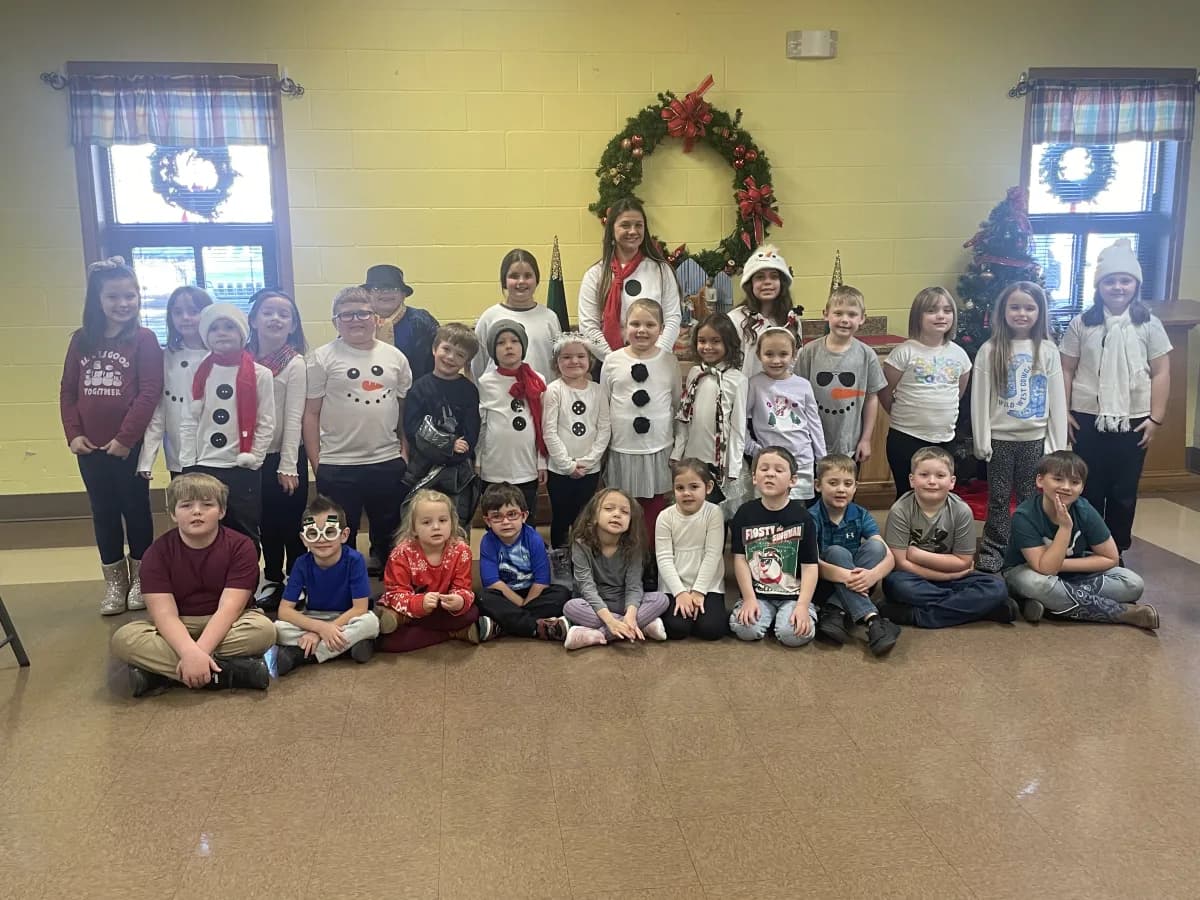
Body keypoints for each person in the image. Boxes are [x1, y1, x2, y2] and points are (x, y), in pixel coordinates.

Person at [60, 257, 163, 615]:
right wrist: (73, 435)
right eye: (114, 297)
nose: (123, 304)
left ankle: (141, 578)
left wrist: (125, 439)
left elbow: (149, 392)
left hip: (127, 448)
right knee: (102, 512)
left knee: (135, 511)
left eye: (130, 296)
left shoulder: (145, 339)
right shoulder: (81, 340)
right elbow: (68, 392)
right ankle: (115, 583)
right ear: (98, 300)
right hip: (89, 448)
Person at [110, 473, 275, 697]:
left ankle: (161, 673)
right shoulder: (157, 553)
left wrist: (199, 652)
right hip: (180, 623)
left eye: (207, 504)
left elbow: (230, 608)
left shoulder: (241, 546)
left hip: (230, 623)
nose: (197, 511)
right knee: (124, 638)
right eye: (186, 505)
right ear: (173, 514)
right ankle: (229, 673)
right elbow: (165, 615)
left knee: (263, 631)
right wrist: (189, 652)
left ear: (222, 511)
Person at [1060, 238, 1171, 559]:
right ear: (1099, 285)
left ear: (1136, 284)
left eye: (1125, 280)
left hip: (1133, 418)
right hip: (1087, 416)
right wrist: (1065, 412)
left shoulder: (1149, 324)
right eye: (1110, 280)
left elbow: (1161, 370)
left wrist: (1155, 418)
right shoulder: (1082, 323)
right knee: (1088, 485)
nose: (1118, 287)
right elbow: (1066, 368)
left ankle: (1116, 548)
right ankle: (1087, 544)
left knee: (1123, 490)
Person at [303, 286, 413, 576]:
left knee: (389, 534)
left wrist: (403, 452)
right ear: (335, 322)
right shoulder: (321, 358)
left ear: (376, 318)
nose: (355, 320)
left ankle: (396, 597)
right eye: (347, 315)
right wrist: (318, 463)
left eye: (362, 313)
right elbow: (311, 413)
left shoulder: (396, 357)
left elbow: (402, 411)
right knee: (340, 537)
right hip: (338, 465)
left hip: (386, 461)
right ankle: (343, 593)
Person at [970, 282, 1067, 572]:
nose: (1022, 313)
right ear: (1003, 311)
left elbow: (1057, 400)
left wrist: (1056, 444)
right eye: (1015, 307)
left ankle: (1028, 548)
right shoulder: (990, 350)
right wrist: (982, 438)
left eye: (1029, 307)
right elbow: (980, 397)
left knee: (1031, 498)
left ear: (1040, 312)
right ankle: (994, 549)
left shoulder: (1047, 350)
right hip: (1000, 439)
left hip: (1034, 440)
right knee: (998, 498)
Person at [1003, 451, 1158, 629]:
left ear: (1082, 488)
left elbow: (1111, 558)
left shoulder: (1084, 509)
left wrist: (1060, 567)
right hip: (1028, 572)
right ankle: (1122, 613)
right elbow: (1045, 569)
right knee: (1039, 585)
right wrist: (1065, 527)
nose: (1066, 487)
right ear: (1040, 480)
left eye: (1075, 482)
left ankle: (1049, 605)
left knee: (1133, 584)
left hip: (1072, 575)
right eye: (1058, 479)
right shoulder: (1024, 515)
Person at [178, 303, 275, 555]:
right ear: (205, 335)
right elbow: (188, 420)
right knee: (205, 532)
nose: (222, 333)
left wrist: (255, 460)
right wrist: (188, 464)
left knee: (244, 530)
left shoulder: (260, 374)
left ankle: (245, 590)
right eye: (215, 328)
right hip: (205, 465)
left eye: (230, 327)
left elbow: (266, 422)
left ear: (242, 333)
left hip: (241, 466)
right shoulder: (197, 372)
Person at [880, 447, 1015, 628]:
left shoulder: (961, 510)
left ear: (952, 482)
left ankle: (915, 615)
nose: (932, 481)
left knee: (997, 587)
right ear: (912, 480)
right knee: (894, 584)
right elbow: (900, 564)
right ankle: (983, 609)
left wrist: (917, 554)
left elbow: (964, 562)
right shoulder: (900, 510)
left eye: (940, 476)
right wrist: (950, 573)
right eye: (924, 475)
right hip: (914, 577)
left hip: (953, 578)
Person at [247, 289, 309, 609]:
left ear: (293, 324)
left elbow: (295, 416)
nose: (275, 319)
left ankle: (297, 580)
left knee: (289, 522)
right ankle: (272, 577)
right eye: (268, 312)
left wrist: (288, 464)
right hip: (249, 457)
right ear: (253, 320)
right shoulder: (240, 359)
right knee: (264, 522)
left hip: (285, 457)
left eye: (284, 314)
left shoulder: (295, 363)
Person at [880, 287, 972, 499]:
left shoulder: (959, 354)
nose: (941, 315)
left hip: (944, 438)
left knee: (938, 495)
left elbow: (958, 392)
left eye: (947, 310)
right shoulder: (904, 352)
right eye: (932, 310)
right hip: (906, 437)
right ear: (917, 316)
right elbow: (884, 391)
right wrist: (899, 413)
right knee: (908, 495)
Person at [376, 489, 497, 651]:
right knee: (388, 642)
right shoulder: (401, 553)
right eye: (426, 522)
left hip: (442, 611)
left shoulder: (461, 551)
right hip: (410, 608)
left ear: (452, 523)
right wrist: (419, 604)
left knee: (472, 612)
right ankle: (456, 632)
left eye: (442, 520)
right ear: (413, 528)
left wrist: (459, 601)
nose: (436, 527)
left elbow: (463, 588)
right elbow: (395, 594)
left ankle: (409, 623)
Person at [274, 495, 380, 675]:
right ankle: (347, 646)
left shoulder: (355, 560)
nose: (321, 540)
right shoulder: (301, 563)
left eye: (329, 532)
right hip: (315, 619)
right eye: (313, 533)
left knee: (371, 623)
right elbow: (284, 611)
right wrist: (321, 629)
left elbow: (359, 608)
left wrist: (318, 634)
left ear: (344, 535)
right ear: (304, 539)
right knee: (276, 629)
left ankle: (304, 655)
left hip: (346, 618)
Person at [602, 298, 680, 541]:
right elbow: (604, 405)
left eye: (650, 324)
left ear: (661, 328)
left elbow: (676, 403)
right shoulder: (612, 361)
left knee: (654, 508)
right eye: (635, 324)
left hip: (657, 447)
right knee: (622, 506)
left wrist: (676, 446)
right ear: (625, 327)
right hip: (622, 448)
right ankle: (625, 558)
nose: (642, 330)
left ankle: (650, 560)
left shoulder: (669, 361)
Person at [808, 454, 899, 656]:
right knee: (836, 552)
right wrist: (849, 577)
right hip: (825, 581)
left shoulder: (860, 514)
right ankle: (874, 619)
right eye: (833, 483)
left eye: (848, 484)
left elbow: (889, 557)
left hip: (861, 580)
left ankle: (836, 610)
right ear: (818, 485)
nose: (841, 489)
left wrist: (872, 576)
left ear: (855, 487)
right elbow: (811, 563)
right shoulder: (811, 517)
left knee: (876, 548)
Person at [728, 446, 820, 647]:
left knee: (793, 635)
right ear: (754, 477)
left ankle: (799, 614)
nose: (770, 474)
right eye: (764, 469)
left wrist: (803, 606)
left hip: (793, 596)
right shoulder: (744, 514)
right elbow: (740, 559)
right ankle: (764, 615)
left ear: (793, 480)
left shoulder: (803, 517)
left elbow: (810, 566)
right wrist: (749, 599)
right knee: (745, 629)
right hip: (758, 595)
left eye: (779, 470)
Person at [561, 487, 670, 650]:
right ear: (594, 515)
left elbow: (634, 586)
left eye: (625, 512)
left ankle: (595, 635)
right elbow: (586, 588)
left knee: (661, 599)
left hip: (622, 601)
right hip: (592, 603)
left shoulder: (634, 546)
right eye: (609, 509)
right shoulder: (581, 543)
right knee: (570, 607)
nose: (617, 514)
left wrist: (631, 616)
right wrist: (611, 621)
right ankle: (643, 626)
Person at [577, 197, 681, 358]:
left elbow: (672, 319)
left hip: (655, 362)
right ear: (612, 229)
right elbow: (588, 327)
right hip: (609, 364)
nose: (633, 231)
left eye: (638, 225)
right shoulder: (595, 275)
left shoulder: (661, 270)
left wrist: (656, 356)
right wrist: (614, 360)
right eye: (625, 225)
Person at [794, 284, 886, 463]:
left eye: (852, 314)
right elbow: (798, 395)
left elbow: (871, 398)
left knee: (844, 489)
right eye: (838, 313)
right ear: (826, 314)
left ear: (862, 318)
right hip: (812, 442)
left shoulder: (867, 355)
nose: (845, 319)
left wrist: (866, 439)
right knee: (816, 489)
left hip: (849, 445)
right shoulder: (809, 352)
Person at [402, 323, 483, 524]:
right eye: (446, 349)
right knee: (423, 522)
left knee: (456, 522)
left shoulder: (469, 390)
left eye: (460, 355)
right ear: (434, 349)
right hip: (423, 468)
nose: (450, 357)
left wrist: (457, 454)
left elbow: (471, 432)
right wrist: (447, 445)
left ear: (467, 361)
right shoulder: (419, 388)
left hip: (458, 472)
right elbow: (414, 429)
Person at [476, 482, 571, 641]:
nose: (505, 522)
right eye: (497, 516)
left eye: (512, 514)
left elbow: (542, 580)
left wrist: (524, 604)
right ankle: (537, 627)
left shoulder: (533, 538)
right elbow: (491, 582)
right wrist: (519, 603)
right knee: (482, 597)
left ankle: (503, 625)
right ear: (487, 521)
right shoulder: (488, 541)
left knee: (562, 594)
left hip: (533, 593)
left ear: (524, 516)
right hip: (505, 595)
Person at [543, 332, 610, 548]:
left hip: (589, 469)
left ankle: (583, 562)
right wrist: (567, 464)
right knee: (562, 518)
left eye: (580, 356)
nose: (574, 361)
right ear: (556, 363)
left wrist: (590, 461)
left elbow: (604, 429)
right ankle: (560, 562)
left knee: (586, 519)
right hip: (560, 470)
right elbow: (549, 431)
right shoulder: (554, 391)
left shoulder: (598, 391)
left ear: (590, 360)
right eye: (566, 357)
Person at [138, 285, 212, 479]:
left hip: (218, 451)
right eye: (178, 312)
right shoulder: (165, 356)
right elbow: (160, 409)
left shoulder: (223, 355)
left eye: (193, 311)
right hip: (180, 451)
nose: (185, 317)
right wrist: (147, 458)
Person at [673, 311, 747, 506]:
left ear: (728, 343)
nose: (707, 347)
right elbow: (684, 418)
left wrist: (734, 468)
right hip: (692, 457)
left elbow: (739, 427)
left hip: (719, 462)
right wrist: (677, 452)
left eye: (715, 341)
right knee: (692, 510)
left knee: (717, 515)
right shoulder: (695, 373)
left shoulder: (737, 380)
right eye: (702, 341)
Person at [744, 327, 826, 500]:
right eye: (769, 354)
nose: (776, 360)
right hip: (769, 463)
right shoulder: (755, 384)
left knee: (798, 512)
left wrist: (821, 458)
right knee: (769, 508)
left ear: (794, 355)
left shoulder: (803, 385)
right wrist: (752, 448)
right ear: (759, 355)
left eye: (783, 354)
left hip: (802, 460)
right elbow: (739, 420)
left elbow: (814, 423)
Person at [476, 319, 547, 517]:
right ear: (493, 350)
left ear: (523, 347)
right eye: (501, 342)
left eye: (514, 341)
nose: (508, 346)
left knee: (526, 516)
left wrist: (542, 462)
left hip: (526, 465)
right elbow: (482, 423)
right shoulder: (485, 382)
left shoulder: (537, 380)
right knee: (497, 516)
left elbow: (542, 423)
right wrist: (478, 459)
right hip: (494, 465)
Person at [655, 459, 729, 641]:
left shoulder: (713, 513)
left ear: (708, 487)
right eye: (680, 488)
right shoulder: (665, 517)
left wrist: (698, 591)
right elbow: (664, 558)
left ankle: (700, 613)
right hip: (675, 583)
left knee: (712, 629)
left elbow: (712, 555)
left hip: (707, 585)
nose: (687, 493)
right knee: (676, 629)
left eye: (694, 487)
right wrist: (680, 592)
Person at [473, 249, 562, 383]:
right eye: (514, 276)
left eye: (528, 275)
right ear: (504, 281)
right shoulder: (489, 317)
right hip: (500, 400)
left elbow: (558, 363)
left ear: (536, 280)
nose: (521, 281)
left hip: (542, 397)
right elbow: (478, 366)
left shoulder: (549, 318)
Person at [729, 245, 804, 382]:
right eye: (760, 277)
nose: (767, 282)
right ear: (750, 284)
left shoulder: (791, 321)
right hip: (746, 395)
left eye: (774, 277)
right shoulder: (735, 319)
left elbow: (796, 362)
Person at [362, 263, 439, 382]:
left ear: (403, 295)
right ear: (368, 294)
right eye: (378, 288)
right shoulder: (358, 321)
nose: (386, 292)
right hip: (368, 394)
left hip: (415, 395)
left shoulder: (421, 321)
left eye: (393, 288)